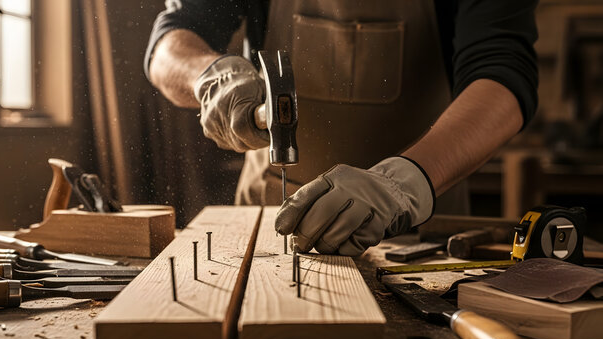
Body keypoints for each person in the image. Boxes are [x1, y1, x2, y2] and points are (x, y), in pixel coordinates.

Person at [145, 0, 538, 256]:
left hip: (418, 229)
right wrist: (211, 75)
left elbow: (503, 74)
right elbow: (170, 39)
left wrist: (402, 184)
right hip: (273, 218)